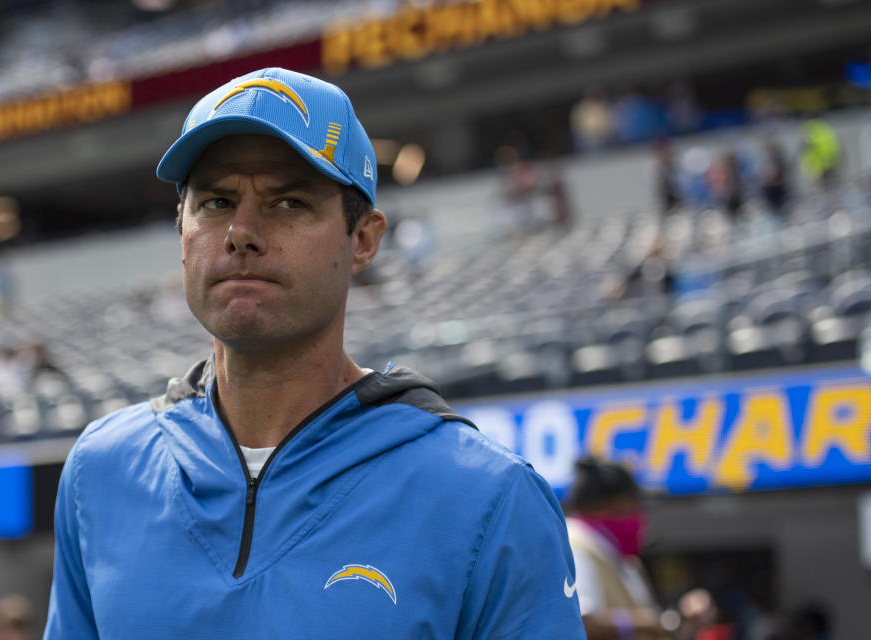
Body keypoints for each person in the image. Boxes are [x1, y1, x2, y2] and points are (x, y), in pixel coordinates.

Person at [43, 67, 584, 639]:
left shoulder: (487, 496)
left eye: (288, 202)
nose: (241, 232)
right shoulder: (101, 471)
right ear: (181, 230)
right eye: (216, 201)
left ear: (364, 240)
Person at [565, 456, 667, 640]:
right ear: (613, 504)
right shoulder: (575, 542)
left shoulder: (619, 555)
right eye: (632, 502)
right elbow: (579, 622)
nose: (638, 513)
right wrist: (643, 622)